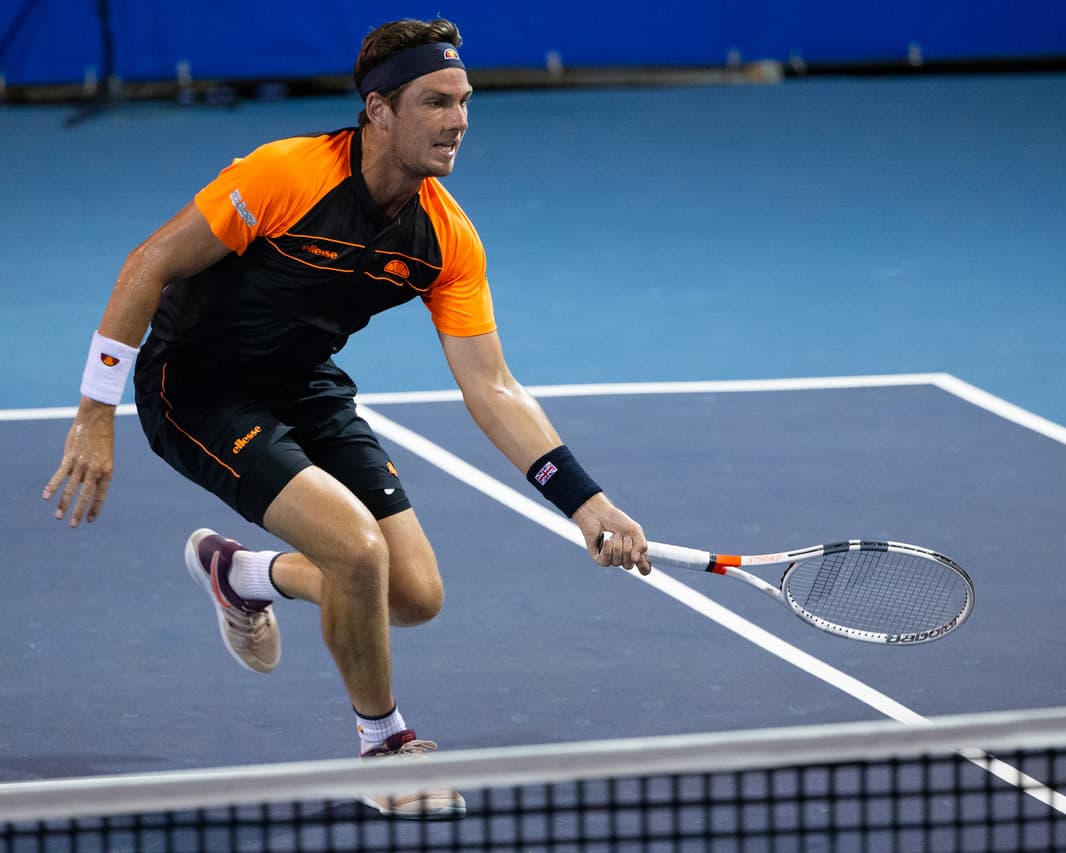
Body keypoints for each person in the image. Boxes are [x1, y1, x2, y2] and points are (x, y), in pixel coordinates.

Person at [42, 17, 651, 820]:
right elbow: (148, 263)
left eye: (464, 101)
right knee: (358, 549)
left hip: (304, 385)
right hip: (196, 386)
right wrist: (95, 411)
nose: (459, 120)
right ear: (378, 110)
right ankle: (384, 750)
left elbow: (493, 387)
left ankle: (242, 575)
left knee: (414, 593)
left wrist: (586, 500)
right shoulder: (285, 174)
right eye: (436, 102)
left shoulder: (445, 238)